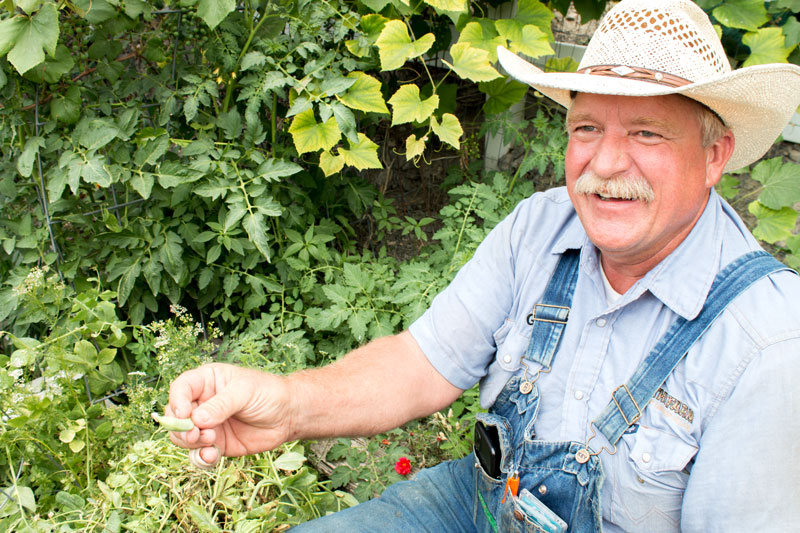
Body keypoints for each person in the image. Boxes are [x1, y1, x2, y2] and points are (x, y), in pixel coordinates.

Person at [166, 0, 800, 530]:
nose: (604, 165)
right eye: (585, 129)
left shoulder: (766, 344)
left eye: (646, 133)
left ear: (715, 155)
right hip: (476, 507)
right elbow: (422, 365)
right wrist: (287, 403)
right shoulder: (541, 227)